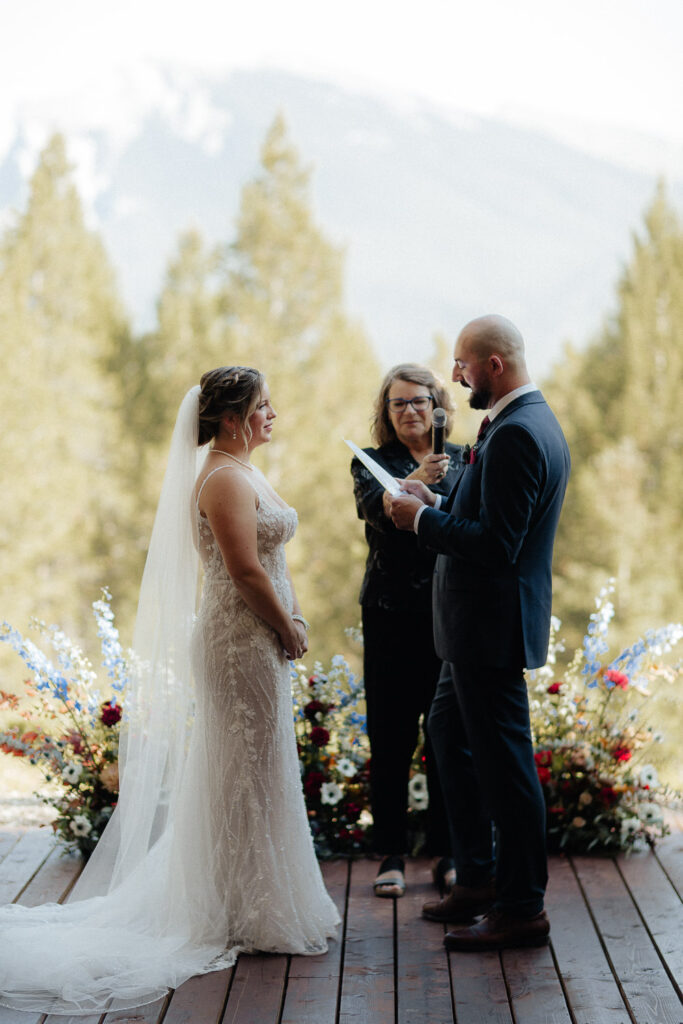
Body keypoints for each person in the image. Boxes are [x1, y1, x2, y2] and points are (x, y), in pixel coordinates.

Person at [0, 366, 339, 1015]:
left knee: (258, 766)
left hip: (257, 637)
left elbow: (263, 561)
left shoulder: (241, 470)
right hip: (240, 640)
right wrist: (287, 626)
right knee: (245, 766)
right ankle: (243, 907)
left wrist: (289, 621)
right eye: (263, 406)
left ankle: (257, 896)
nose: (273, 415)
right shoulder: (223, 478)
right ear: (233, 418)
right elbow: (243, 569)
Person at [389, 316, 570, 951]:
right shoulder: (517, 422)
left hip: (489, 629)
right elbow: (487, 514)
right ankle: (477, 877)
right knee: (447, 731)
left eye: (462, 364)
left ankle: (521, 907)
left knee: (507, 768)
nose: (455, 376)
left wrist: (418, 522)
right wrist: (436, 504)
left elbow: (497, 545)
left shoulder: (519, 432)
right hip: (471, 629)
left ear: (494, 364)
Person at [351, 363, 462, 898]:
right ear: (386, 412)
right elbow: (378, 511)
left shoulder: (465, 459)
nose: (410, 410)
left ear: (437, 406)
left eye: (419, 400)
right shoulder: (371, 462)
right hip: (390, 614)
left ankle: (448, 852)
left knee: (447, 737)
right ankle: (391, 853)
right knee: (391, 736)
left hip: (450, 614)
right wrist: (418, 478)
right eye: (398, 403)